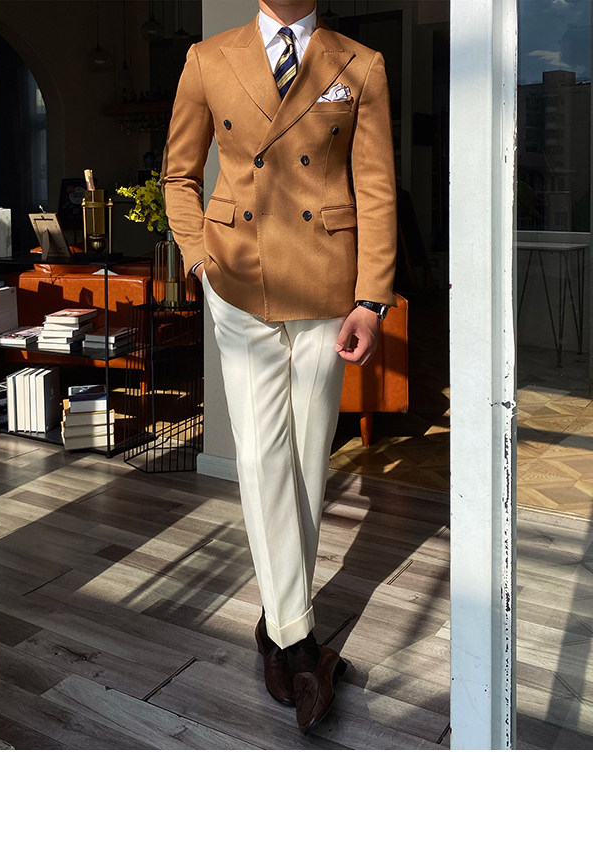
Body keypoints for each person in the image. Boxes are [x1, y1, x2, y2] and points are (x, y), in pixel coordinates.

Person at [161, 0, 397, 735]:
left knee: (306, 463)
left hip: (329, 290)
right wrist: (199, 258)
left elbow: (376, 189)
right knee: (262, 459)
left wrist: (372, 299)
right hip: (239, 283)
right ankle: (298, 643)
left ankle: (276, 620)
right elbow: (177, 176)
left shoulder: (359, 64)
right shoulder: (208, 59)